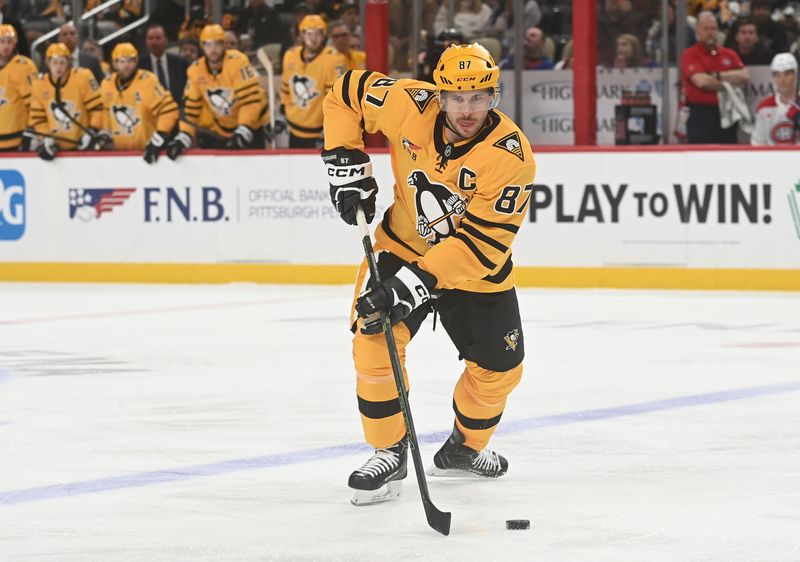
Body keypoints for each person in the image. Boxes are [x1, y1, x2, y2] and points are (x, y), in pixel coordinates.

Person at [321, 43, 536, 504]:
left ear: (494, 95)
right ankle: (390, 449)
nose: (466, 109)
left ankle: (465, 448)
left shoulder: (511, 156)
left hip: (476, 269)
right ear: (438, 95)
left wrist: (412, 286)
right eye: (456, 98)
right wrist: (346, 163)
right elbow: (345, 92)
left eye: (478, 96)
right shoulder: (407, 103)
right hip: (401, 245)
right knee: (372, 333)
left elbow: (482, 244)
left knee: (501, 368)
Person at [166, 24, 268, 158]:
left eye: (217, 44)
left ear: (224, 45)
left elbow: (250, 101)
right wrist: (184, 137)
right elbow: (191, 111)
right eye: (208, 45)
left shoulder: (237, 61)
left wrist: (244, 129)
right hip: (221, 131)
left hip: (252, 127)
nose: (212, 49)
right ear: (202, 46)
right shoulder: (195, 70)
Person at [100, 43, 179, 162]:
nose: (126, 65)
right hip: (118, 155)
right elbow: (106, 113)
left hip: (145, 152)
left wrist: (159, 137)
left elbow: (169, 110)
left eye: (130, 60)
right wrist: (105, 134)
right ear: (114, 63)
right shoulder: (107, 84)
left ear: (136, 61)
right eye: (121, 61)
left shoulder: (148, 81)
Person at [680, 11, 750, 143]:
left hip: (726, 112)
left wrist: (717, 75)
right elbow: (702, 82)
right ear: (697, 31)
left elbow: (744, 76)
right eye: (705, 29)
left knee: (728, 154)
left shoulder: (728, 54)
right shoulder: (690, 54)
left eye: (713, 28)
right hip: (700, 115)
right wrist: (730, 84)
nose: (710, 32)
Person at [28, 42, 105, 160]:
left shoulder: (83, 77)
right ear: (48, 63)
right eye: (54, 62)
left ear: (69, 63)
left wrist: (91, 131)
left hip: (83, 145)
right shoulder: (39, 84)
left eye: (62, 62)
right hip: (56, 149)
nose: (58, 67)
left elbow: (98, 108)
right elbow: (38, 119)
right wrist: (46, 137)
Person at [280, 14, 345, 148]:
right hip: (294, 130)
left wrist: (330, 128)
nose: (313, 39)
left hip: (321, 133)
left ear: (324, 36)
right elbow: (286, 89)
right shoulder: (290, 56)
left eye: (318, 34)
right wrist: (283, 113)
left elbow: (336, 100)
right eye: (309, 34)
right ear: (301, 35)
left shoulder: (334, 60)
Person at [0, 24, 37, 151]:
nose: (5, 46)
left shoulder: (24, 66)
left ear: (15, 43)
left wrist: (32, 130)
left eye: (9, 41)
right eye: (2, 41)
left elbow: (34, 103)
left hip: (18, 138)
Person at [751, 52, 800, 145]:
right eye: (777, 75)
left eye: (787, 74)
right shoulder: (764, 107)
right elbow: (757, 143)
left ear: (796, 75)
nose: (782, 79)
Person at [138, 24, 188, 107]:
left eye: (158, 38)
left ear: (165, 40)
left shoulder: (180, 63)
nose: (154, 42)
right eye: (150, 38)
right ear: (146, 42)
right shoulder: (139, 64)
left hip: (177, 110)